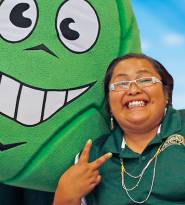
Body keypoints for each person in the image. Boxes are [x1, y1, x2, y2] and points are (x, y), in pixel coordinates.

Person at [54, 53, 185, 205]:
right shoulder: (92, 158)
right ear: (109, 103)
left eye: (144, 80)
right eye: (121, 84)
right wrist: (65, 194)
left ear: (166, 92)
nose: (133, 90)